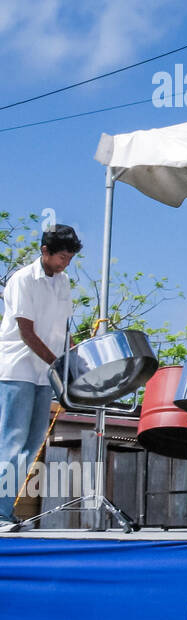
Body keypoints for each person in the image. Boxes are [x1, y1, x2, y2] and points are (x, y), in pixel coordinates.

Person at [0, 225, 80, 524]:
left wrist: (75, 363)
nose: (66, 263)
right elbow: (26, 332)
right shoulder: (22, 280)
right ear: (45, 251)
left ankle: (6, 509)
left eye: (70, 258)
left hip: (44, 375)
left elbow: (65, 329)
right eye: (62, 256)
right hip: (17, 369)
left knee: (32, 445)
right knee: (12, 442)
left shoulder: (64, 281)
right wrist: (58, 363)